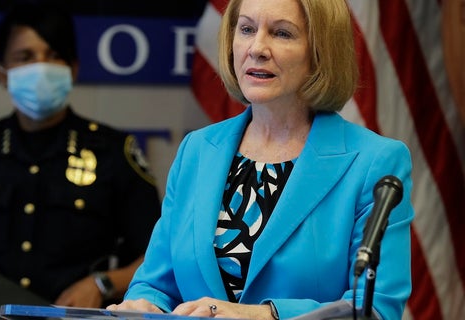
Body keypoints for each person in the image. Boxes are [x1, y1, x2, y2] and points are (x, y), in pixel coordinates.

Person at [107, 0, 414, 319]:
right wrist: (142, 304)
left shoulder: (375, 162)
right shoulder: (197, 150)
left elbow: (376, 308)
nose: (257, 48)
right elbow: (156, 282)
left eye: (282, 33)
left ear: (320, 51)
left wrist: (264, 315)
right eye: (247, 29)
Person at [0, 2, 161, 315]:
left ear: (73, 70)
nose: (41, 68)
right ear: (2, 74)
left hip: (72, 316)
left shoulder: (113, 150)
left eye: (53, 56)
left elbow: (156, 256)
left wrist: (102, 284)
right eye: (25, 57)